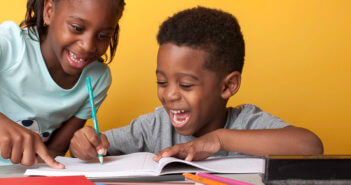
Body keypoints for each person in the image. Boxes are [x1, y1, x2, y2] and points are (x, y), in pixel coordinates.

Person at [70, 6, 323, 162]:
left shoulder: (246, 123)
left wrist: (219, 140)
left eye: (186, 85)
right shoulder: (155, 126)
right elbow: (97, 145)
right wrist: (84, 143)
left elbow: (310, 146)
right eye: (161, 81)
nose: (169, 95)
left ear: (228, 86)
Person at [0, 0, 125, 168]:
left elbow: (54, 152)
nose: (88, 46)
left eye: (103, 36)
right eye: (77, 28)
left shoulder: (96, 79)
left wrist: (83, 147)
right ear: (49, 11)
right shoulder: (9, 44)